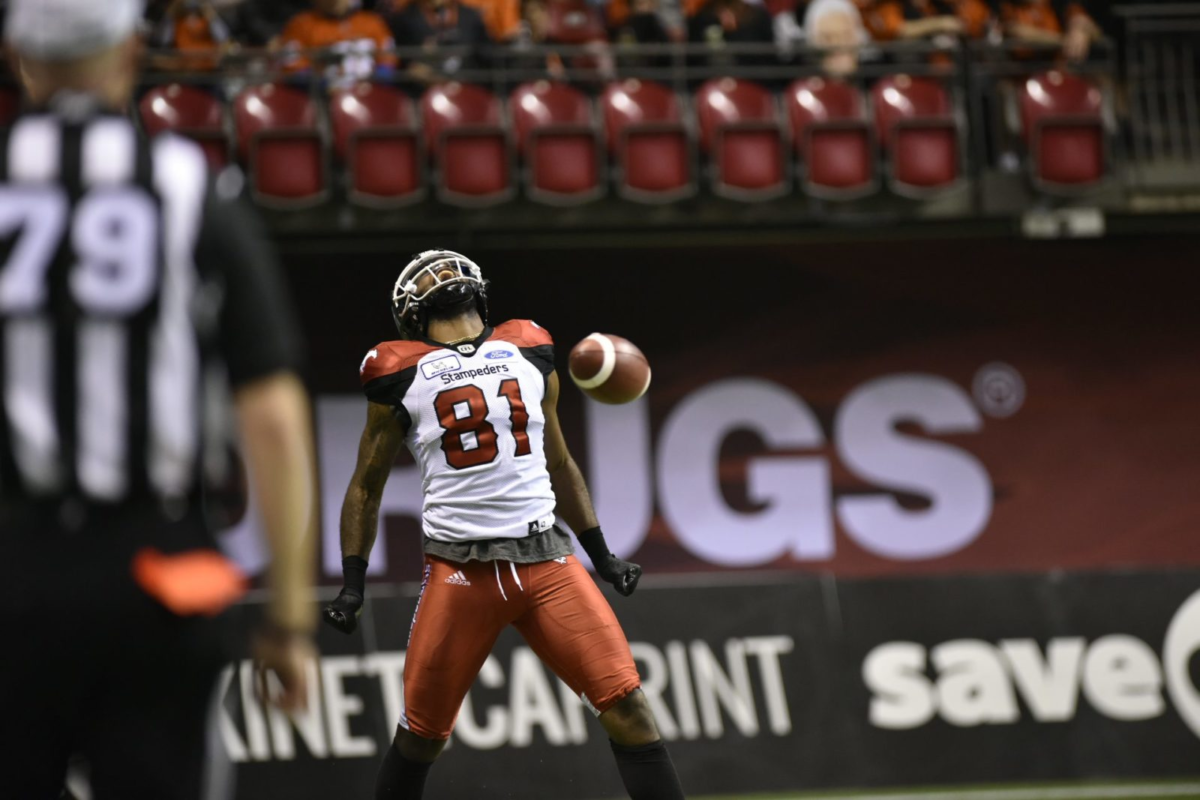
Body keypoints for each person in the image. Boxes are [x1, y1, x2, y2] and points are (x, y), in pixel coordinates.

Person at [0, 0, 318, 798]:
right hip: (156, 571)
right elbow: (273, 416)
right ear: (133, 51)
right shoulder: (187, 190)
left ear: (16, 57)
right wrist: (287, 618)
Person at [324, 250, 687, 800]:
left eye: (448, 270)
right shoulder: (397, 369)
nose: (442, 278)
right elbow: (365, 485)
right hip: (460, 571)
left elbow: (558, 461)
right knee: (421, 736)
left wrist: (601, 552)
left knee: (629, 706)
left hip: (548, 563)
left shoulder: (528, 345)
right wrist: (353, 583)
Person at [278, 0, 397, 78]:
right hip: (319, 98)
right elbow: (293, 68)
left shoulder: (372, 22)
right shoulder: (301, 24)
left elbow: (388, 60)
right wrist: (324, 83)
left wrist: (372, 81)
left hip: (367, 92)